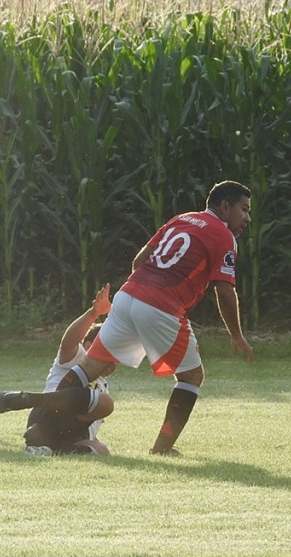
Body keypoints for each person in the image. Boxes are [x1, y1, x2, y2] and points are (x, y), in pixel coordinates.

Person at [74, 180, 254, 457]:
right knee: (191, 376)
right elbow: (224, 290)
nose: (247, 218)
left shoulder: (182, 219)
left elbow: (139, 261)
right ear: (225, 206)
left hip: (127, 294)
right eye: (244, 209)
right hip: (161, 306)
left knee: (89, 367)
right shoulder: (223, 235)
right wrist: (236, 334)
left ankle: (43, 424)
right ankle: (162, 449)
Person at [0, 284, 117, 456]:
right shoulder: (78, 356)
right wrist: (93, 313)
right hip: (46, 417)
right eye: (109, 352)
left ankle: (48, 450)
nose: (115, 361)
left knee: (101, 450)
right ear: (89, 346)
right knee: (106, 403)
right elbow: (68, 343)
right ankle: (29, 400)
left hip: (70, 435)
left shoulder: (103, 385)